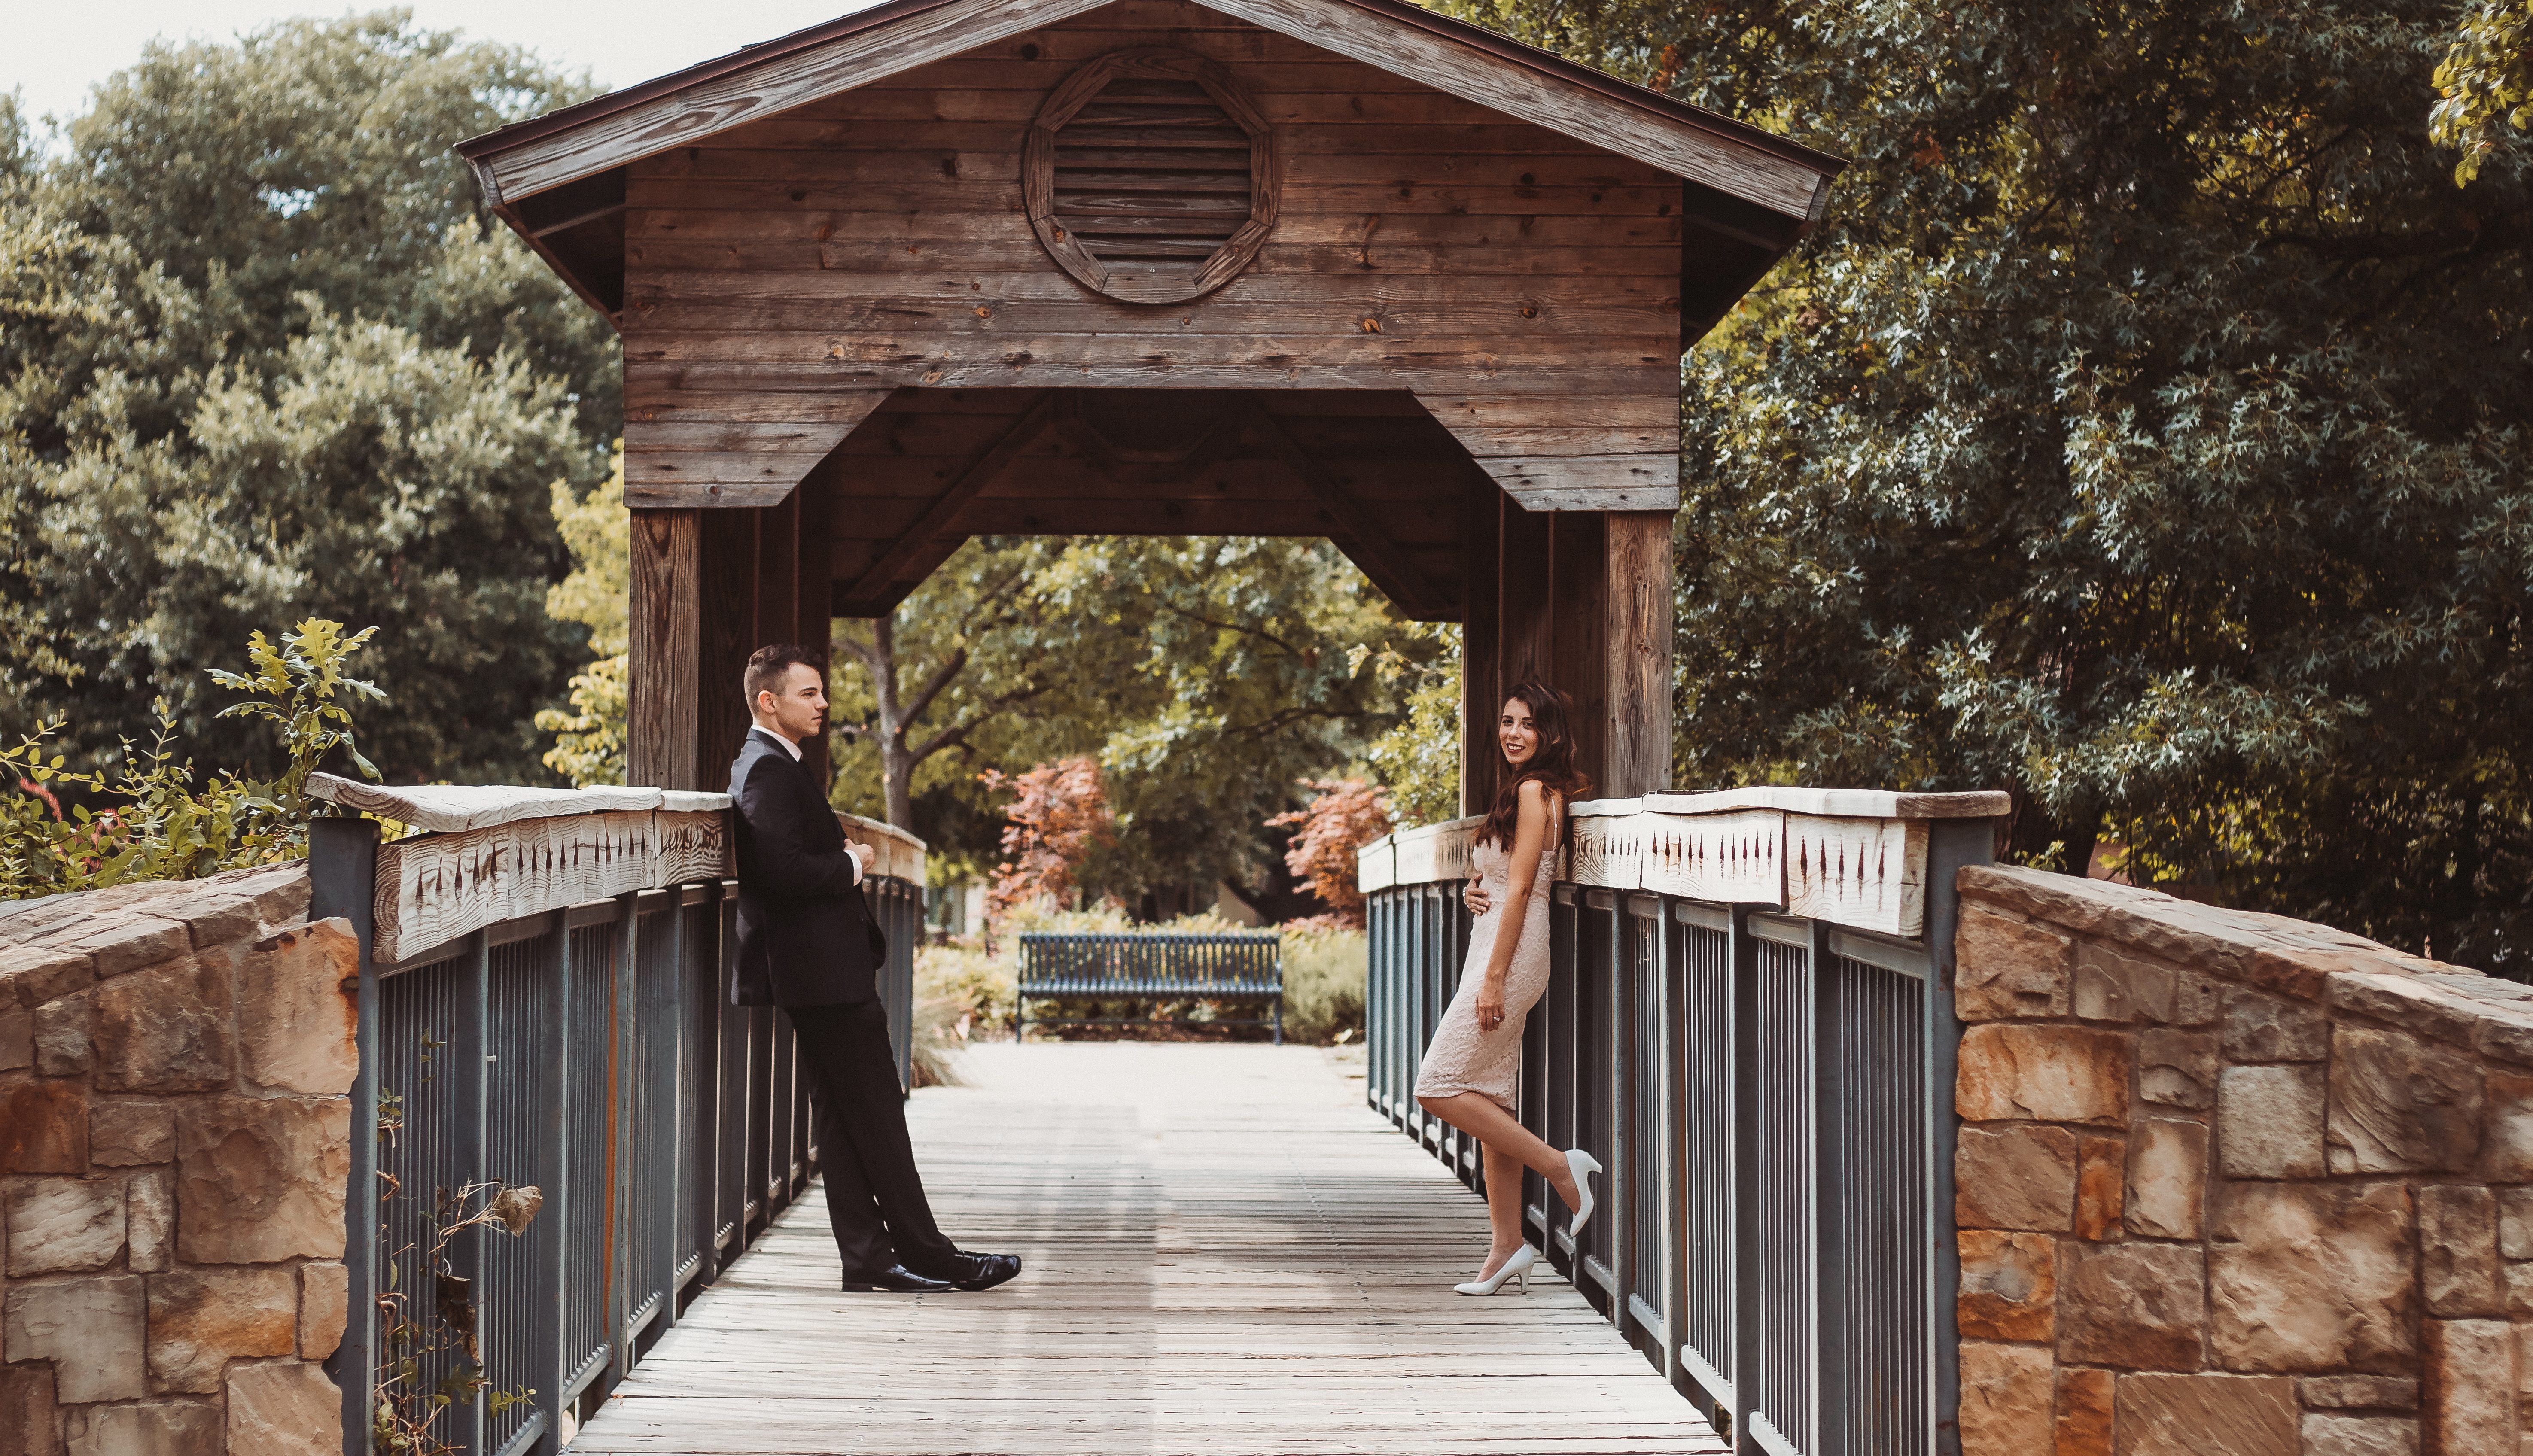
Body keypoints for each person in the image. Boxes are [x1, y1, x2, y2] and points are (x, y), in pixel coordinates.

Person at [728, 643, 1020, 1294]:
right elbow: (785, 872)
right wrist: (855, 863)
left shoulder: (776, 763)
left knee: (843, 1115)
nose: (824, 703)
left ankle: (867, 1258)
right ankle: (930, 1254)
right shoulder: (766, 771)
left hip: (821, 972)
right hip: (820, 975)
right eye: (810, 694)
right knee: (877, 1115)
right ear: (768, 702)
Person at [1412, 681, 1602, 1296]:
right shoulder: (1541, 791)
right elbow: (1503, 880)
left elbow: (1522, 889)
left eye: (1525, 724)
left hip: (1509, 955)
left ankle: (1558, 1165)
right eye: (1506, 722)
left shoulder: (1530, 790)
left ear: (1548, 733)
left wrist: (1494, 977)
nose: (1512, 733)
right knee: (1490, 1099)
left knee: (1436, 1087)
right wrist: (1475, 888)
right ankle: (1506, 1248)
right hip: (1498, 943)